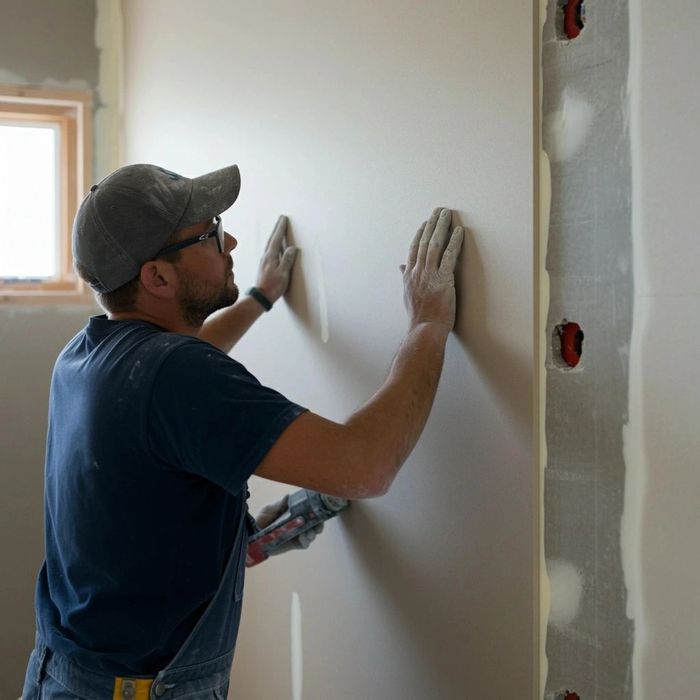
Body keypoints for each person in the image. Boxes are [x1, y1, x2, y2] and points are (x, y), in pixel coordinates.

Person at [21, 163, 464, 700]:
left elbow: (179, 383)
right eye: (209, 234)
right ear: (157, 278)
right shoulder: (174, 377)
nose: (229, 238)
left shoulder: (89, 354)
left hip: (64, 675)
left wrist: (260, 297)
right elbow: (365, 466)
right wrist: (428, 325)